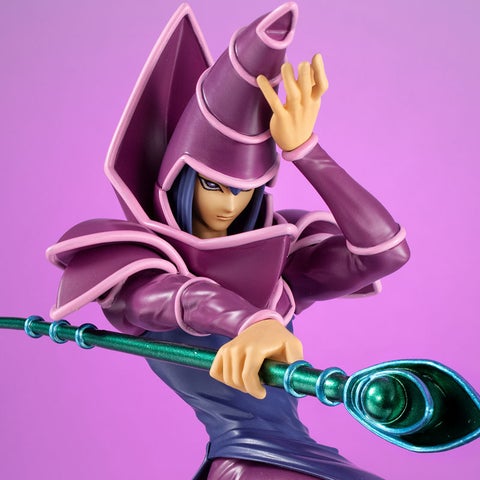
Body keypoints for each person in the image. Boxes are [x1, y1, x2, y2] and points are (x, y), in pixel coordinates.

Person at [47, 3, 409, 479]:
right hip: (246, 460)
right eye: (212, 185)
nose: (229, 205)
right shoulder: (141, 267)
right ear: (178, 180)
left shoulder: (278, 273)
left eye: (244, 190)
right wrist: (252, 323)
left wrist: (306, 151)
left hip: (302, 453)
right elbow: (181, 298)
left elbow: (384, 252)